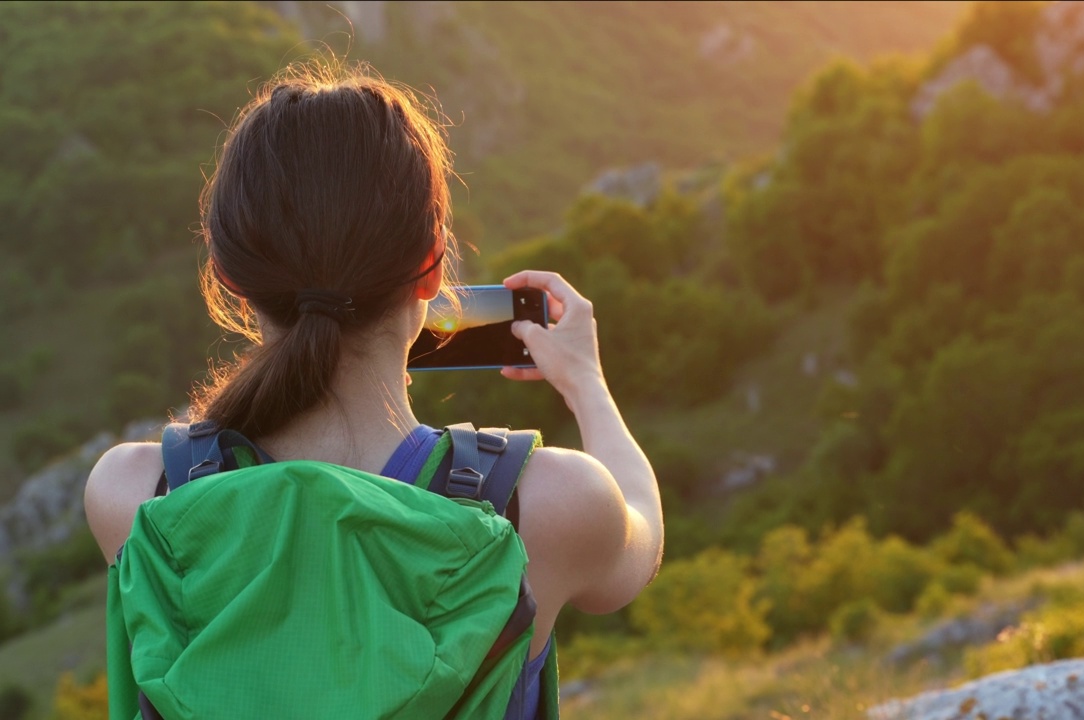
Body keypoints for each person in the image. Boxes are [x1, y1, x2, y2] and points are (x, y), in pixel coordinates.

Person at [83, 59, 663, 717]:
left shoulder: (138, 499)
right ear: (431, 268)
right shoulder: (543, 509)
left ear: (227, 276)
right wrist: (586, 383)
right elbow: (642, 541)